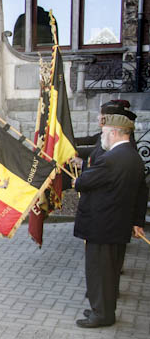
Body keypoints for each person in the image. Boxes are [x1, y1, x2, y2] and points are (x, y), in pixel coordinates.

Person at [72, 112, 147, 329]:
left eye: (104, 133)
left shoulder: (110, 160)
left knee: (100, 272)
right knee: (110, 272)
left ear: (114, 133)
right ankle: (102, 308)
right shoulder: (133, 156)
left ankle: (102, 315)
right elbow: (142, 192)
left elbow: (83, 183)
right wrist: (137, 220)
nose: (102, 136)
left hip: (102, 226)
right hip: (117, 224)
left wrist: (79, 177)